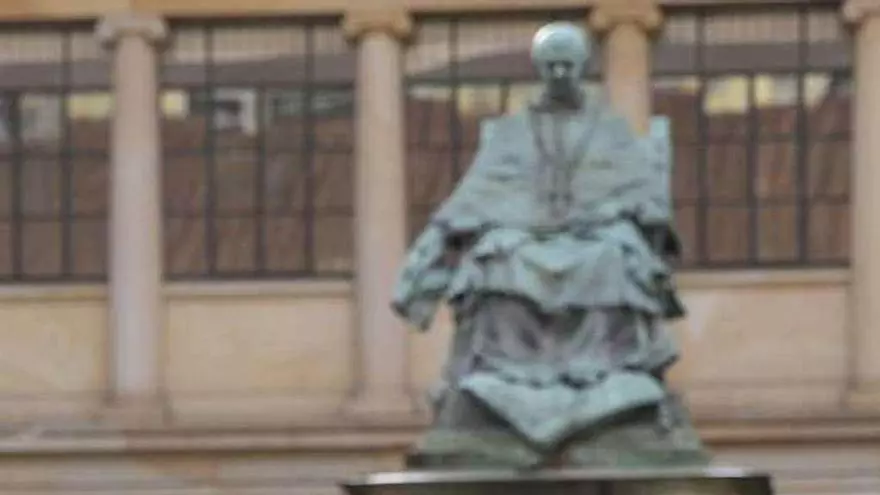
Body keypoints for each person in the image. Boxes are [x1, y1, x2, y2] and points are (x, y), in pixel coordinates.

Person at [393, 21, 707, 468]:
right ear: (539, 69)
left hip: (595, 232)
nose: (560, 73)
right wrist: (428, 260)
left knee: (617, 253)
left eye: (567, 65)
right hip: (523, 232)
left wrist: (635, 212)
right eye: (551, 66)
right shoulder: (512, 131)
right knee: (495, 253)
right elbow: (476, 195)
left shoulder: (610, 129)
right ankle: (506, 372)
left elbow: (640, 193)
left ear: (582, 67)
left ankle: (606, 371)